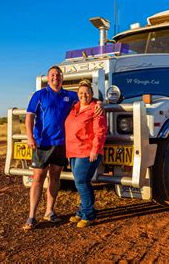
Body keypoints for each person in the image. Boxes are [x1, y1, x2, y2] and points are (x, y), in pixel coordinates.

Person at [23, 66, 103, 230]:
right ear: (48, 77)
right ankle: (32, 216)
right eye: (52, 75)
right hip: (42, 143)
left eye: (58, 75)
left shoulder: (69, 96)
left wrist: (100, 103)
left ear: (62, 78)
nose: (55, 78)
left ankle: (49, 212)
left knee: (55, 177)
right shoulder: (39, 95)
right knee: (38, 178)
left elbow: (86, 98)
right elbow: (29, 116)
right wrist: (30, 136)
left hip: (61, 145)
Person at [65, 80, 108, 228]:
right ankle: (83, 210)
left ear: (91, 94)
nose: (84, 95)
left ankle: (88, 214)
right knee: (81, 182)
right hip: (74, 151)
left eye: (87, 93)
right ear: (77, 94)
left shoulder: (95, 109)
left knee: (81, 182)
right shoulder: (74, 107)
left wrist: (95, 150)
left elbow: (100, 132)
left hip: (88, 151)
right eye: (81, 93)